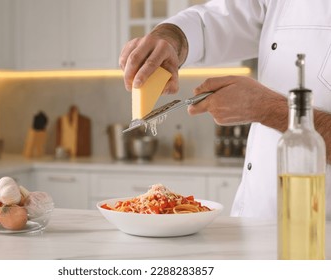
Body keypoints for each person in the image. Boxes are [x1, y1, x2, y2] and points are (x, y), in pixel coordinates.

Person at [119, 0, 331, 219]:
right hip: (255, 218)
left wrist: (267, 109)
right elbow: (212, 22)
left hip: (320, 228)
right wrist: (170, 39)